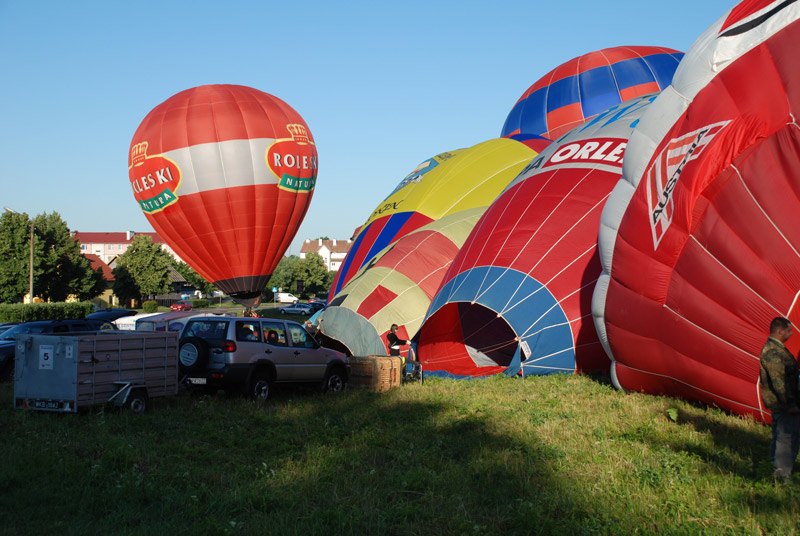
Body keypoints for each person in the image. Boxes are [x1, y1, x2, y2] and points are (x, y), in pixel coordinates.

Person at [759, 316, 800, 480]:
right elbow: (779, 382)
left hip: (782, 403)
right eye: (789, 330)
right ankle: (781, 475)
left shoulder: (777, 349)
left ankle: (772, 468)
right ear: (780, 331)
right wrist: (791, 404)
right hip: (784, 405)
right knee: (786, 438)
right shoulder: (773, 352)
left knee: (779, 436)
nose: (791, 333)